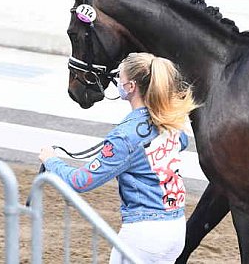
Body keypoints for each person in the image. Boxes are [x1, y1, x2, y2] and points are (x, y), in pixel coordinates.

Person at [39, 52, 198, 263]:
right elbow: (181, 144)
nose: (117, 83)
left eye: (119, 79)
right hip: (176, 227)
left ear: (131, 87)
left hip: (144, 234)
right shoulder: (171, 120)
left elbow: (81, 181)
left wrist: (51, 161)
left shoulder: (125, 136)